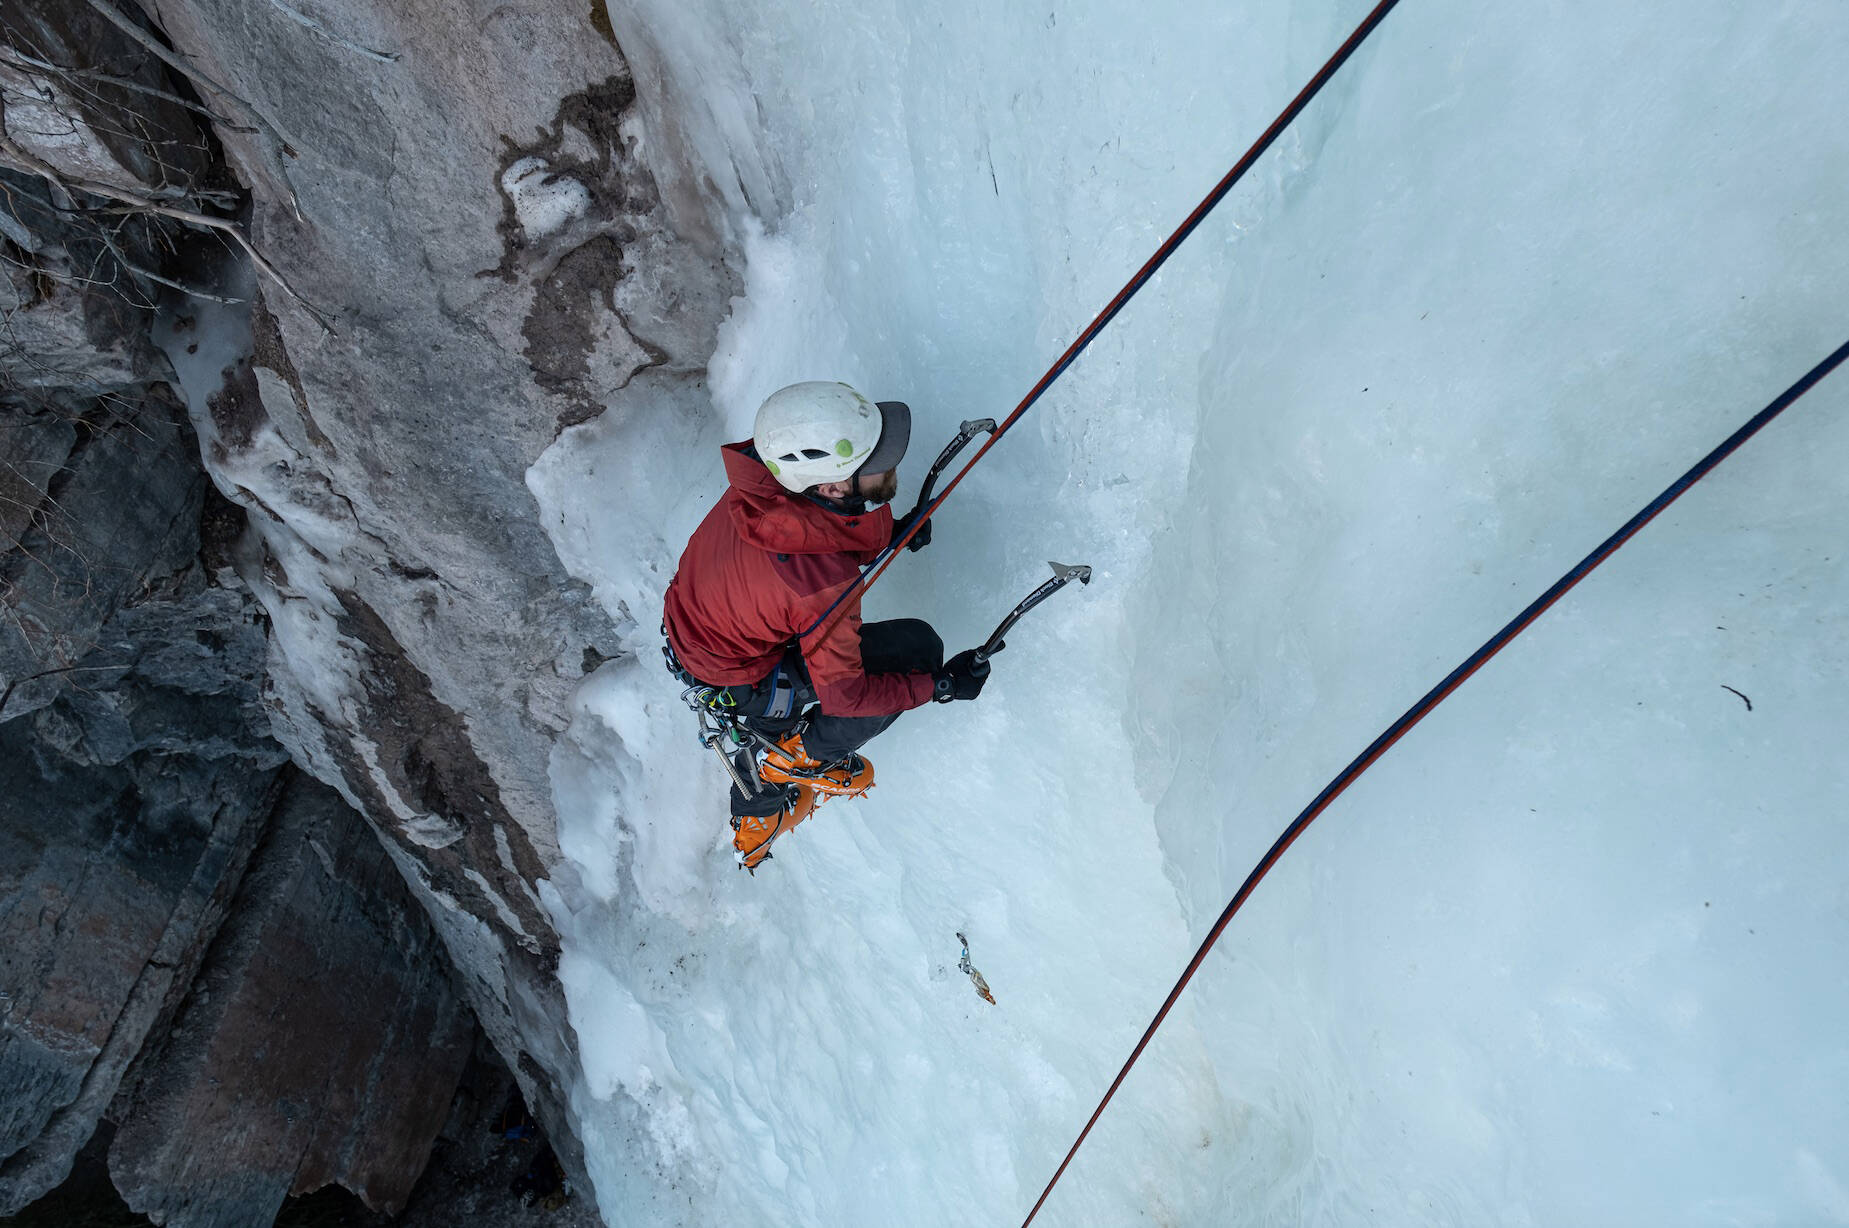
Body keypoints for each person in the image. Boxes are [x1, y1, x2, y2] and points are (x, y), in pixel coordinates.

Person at [662, 381, 991, 869]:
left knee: (853, 647)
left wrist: (887, 534)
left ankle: (768, 761)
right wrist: (940, 684)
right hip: (740, 679)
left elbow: (808, 532)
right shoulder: (821, 588)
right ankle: (794, 758)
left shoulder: (765, 481)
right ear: (832, 486)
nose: (892, 465)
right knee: (917, 652)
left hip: (701, 632)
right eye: (878, 463)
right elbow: (848, 697)